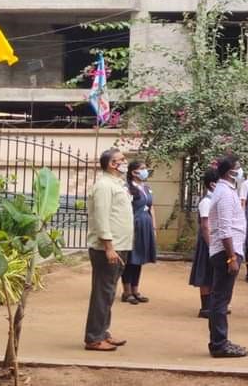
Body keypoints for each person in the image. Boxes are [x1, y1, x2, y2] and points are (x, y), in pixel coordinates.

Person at [84, 148, 134, 352]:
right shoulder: (104, 186)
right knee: (102, 292)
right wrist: (109, 247)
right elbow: (101, 217)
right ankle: (94, 338)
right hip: (108, 248)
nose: (125, 162)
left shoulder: (117, 184)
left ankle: (103, 332)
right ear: (112, 164)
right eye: (122, 159)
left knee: (109, 292)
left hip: (120, 246)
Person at [205, 155, 248, 358]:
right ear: (229, 172)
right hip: (225, 253)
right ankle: (219, 344)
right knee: (220, 300)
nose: (240, 170)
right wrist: (231, 258)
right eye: (238, 167)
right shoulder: (224, 193)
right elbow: (224, 229)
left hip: (229, 251)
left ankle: (220, 341)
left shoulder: (228, 190)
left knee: (222, 299)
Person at [121, 160, 156, 305]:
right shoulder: (127, 188)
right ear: (133, 172)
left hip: (145, 225)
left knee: (139, 259)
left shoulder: (146, 188)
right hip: (133, 226)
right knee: (131, 259)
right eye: (142, 168)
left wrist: (153, 228)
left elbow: (151, 207)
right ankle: (127, 291)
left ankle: (135, 290)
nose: (145, 171)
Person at [189, 168, 217, 319]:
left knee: (213, 273)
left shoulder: (216, 199)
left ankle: (213, 304)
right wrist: (211, 245)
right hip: (208, 241)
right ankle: (205, 307)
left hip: (215, 240)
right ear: (213, 184)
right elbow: (205, 226)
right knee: (205, 273)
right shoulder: (206, 202)